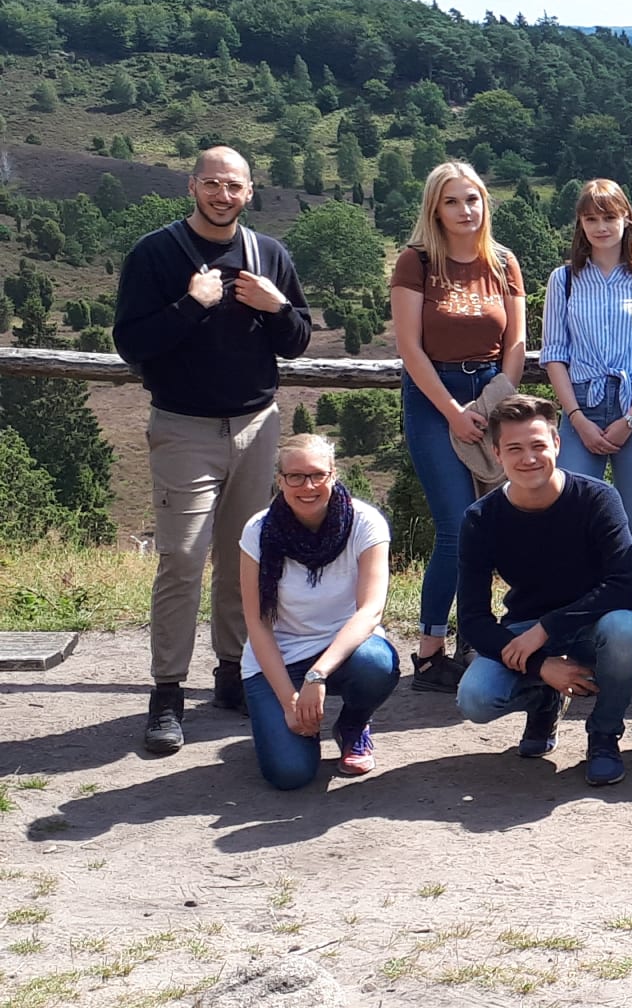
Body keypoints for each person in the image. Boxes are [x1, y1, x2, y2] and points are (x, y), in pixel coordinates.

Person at [114, 145, 313, 754]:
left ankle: (233, 672)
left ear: (250, 192)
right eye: (212, 184)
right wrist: (190, 304)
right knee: (180, 558)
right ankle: (167, 692)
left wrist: (277, 307)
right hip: (183, 428)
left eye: (234, 186)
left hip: (256, 426)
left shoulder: (268, 255)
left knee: (244, 557)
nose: (222, 195)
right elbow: (131, 343)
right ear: (192, 186)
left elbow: (298, 340)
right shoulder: (155, 254)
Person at [453, 395, 632, 786]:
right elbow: (472, 619)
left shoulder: (597, 499)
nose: (528, 459)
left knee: (625, 630)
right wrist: (542, 663)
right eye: (514, 449)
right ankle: (544, 698)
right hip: (525, 627)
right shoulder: (481, 518)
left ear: (556, 443)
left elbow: (627, 585)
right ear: (496, 453)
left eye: (538, 445)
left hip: (594, 625)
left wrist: (545, 631)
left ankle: (604, 736)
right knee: (474, 699)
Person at [392, 161, 526, 694]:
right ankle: (429, 653)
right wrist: (452, 411)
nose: (465, 210)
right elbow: (408, 347)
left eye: (472, 199)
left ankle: (477, 634)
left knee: (492, 524)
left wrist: (495, 405)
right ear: (435, 208)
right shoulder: (417, 261)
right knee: (454, 525)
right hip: (433, 398)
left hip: (492, 395)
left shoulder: (503, 261)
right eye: (453, 201)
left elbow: (514, 346)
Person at [238, 434, 399, 789]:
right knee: (290, 774)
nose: (307, 486)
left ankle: (353, 725)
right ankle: (293, 728)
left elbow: (370, 611)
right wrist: (288, 700)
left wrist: (317, 675)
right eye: (295, 477)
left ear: (334, 475)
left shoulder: (365, 523)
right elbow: (257, 623)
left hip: (342, 653)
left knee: (377, 663)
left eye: (317, 475)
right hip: (278, 661)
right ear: (280, 480)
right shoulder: (257, 531)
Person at [541, 178, 632, 579]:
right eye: (591, 218)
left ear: (626, 220)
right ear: (580, 225)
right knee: (574, 513)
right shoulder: (562, 280)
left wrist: (630, 419)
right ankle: (582, 611)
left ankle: (629, 614)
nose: (601, 227)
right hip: (579, 404)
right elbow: (554, 355)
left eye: (609, 217)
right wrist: (577, 417)